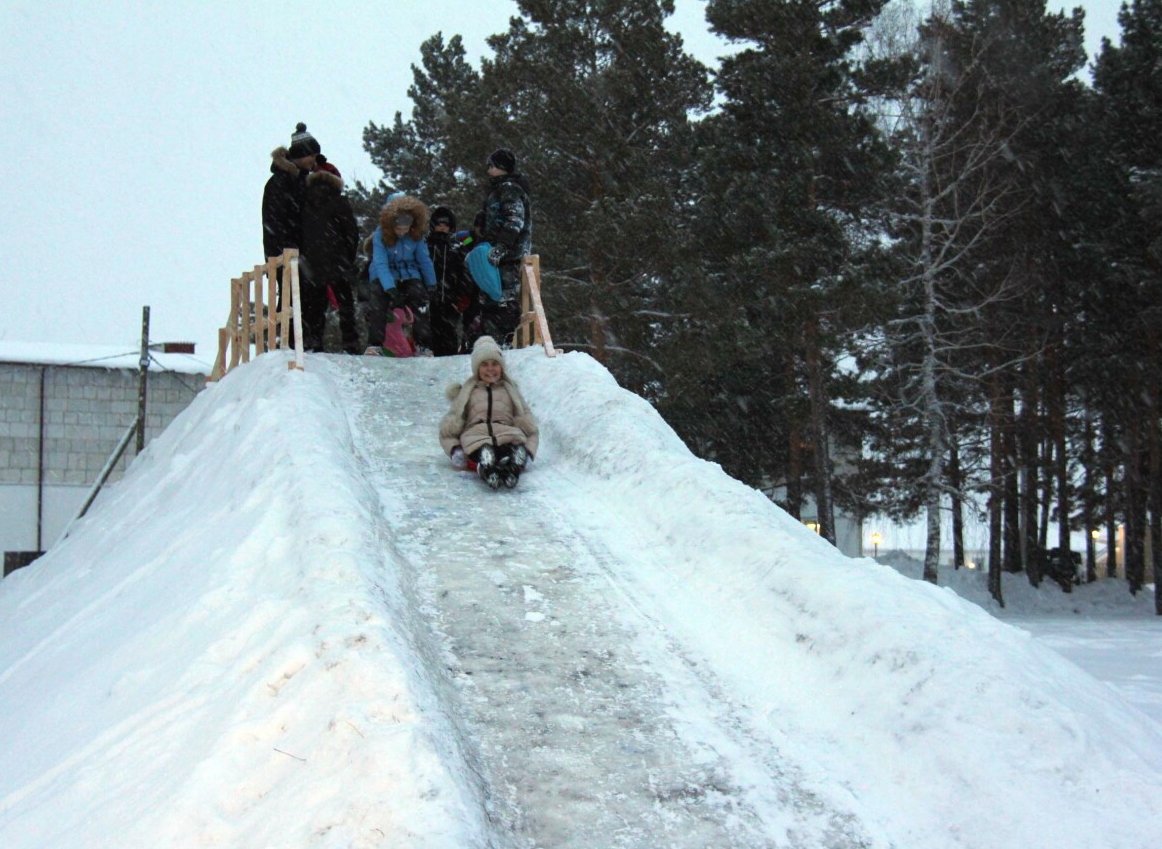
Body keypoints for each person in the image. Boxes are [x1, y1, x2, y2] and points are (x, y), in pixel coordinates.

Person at [439, 336, 538, 490]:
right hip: (476, 437)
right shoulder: (468, 392)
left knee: (515, 447)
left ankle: (513, 466)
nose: (490, 369)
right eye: (484, 365)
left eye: (494, 364)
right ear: (477, 368)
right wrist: (454, 449)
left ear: (501, 367)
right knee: (483, 450)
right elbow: (449, 428)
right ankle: (487, 466)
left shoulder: (510, 391)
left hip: (506, 434)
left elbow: (531, 427)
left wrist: (529, 451)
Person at [474, 148, 532, 347]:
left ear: (502, 168)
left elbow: (514, 220)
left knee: (504, 298)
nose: (488, 170)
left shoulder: (509, 188)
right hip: (494, 252)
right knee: (491, 297)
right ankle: (492, 340)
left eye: (492, 166)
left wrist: (502, 246)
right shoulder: (498, 189)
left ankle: (506, 340)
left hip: (508, 254)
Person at [300, 168, 361, 353]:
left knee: (314, 305)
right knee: (345, 304)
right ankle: (350, 341)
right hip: (337, 259)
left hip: (312, 261)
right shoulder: (339, 201)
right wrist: (347, 257)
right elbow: (351, 232)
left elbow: (299, 230)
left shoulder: (305, 199)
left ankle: (313, 341)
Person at [366, 195, 437, 353]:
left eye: (405, 229)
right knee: (378, 301)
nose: (402, 233)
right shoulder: (380, 235)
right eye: (399, 229)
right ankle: (374, 344)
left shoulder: (416, 236)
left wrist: (431, 283)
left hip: (409, 274)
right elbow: (381, 263)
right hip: (384, 274)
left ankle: (423, 345)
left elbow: (424, 260)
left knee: (420, 299)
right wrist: (390, 288)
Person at [262, 123, 318, 260]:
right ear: (301, 155)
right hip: (286, 259)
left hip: (306, 258)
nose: (314, 161)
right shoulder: (280, 182)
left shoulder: (306, 181)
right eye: (312, 155)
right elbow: (275, 222)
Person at [427, 205, 475, 356]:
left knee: (449, 336)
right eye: (439, 225)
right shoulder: (426, 246)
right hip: (429, 299)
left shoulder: (457, 248)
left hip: (451, 300)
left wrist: (462, 298)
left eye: (445, 225)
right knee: (428, 335)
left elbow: (465, 274)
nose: (442, 228)